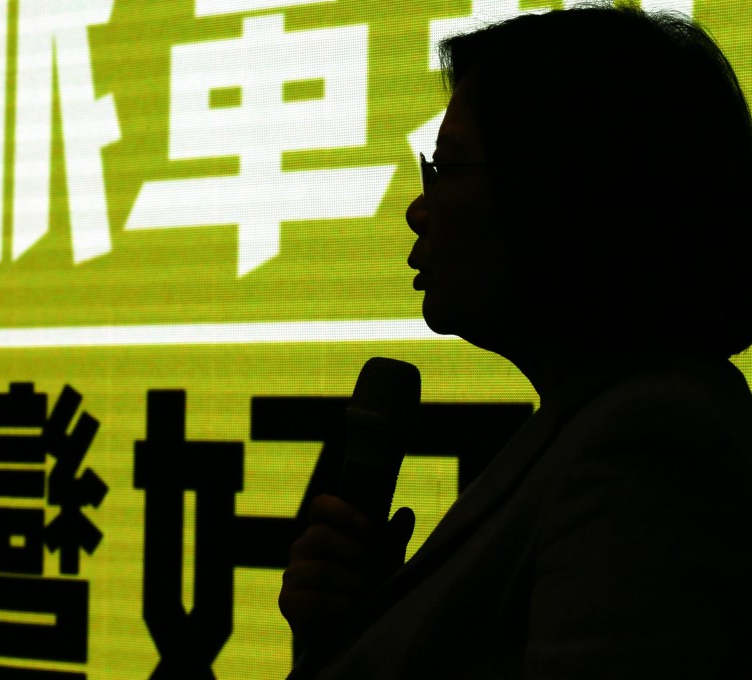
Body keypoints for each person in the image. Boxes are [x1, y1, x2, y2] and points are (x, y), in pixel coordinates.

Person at [279, 4, 752, 678]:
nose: (419, 208)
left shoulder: (652, 441)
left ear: (565, 190)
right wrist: (344, 629)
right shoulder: (589, 420)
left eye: (448, 169)